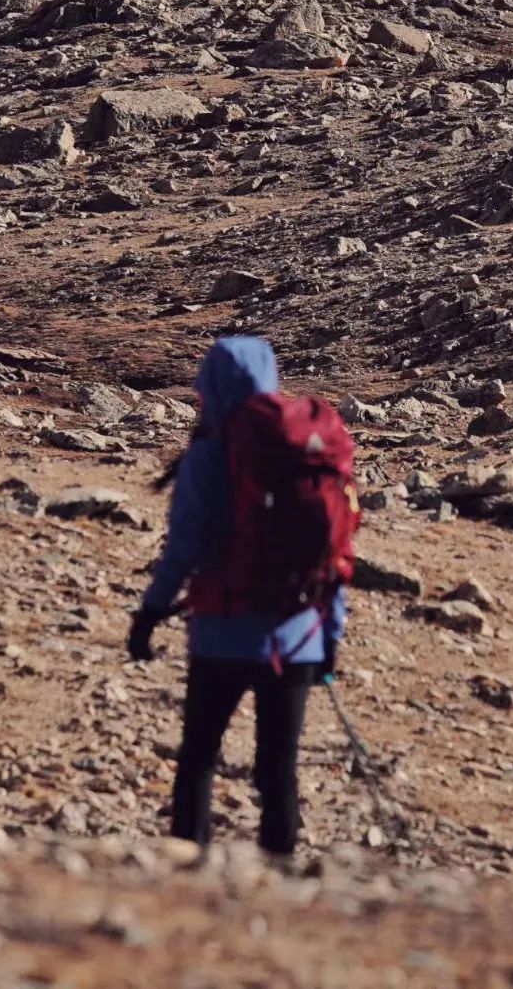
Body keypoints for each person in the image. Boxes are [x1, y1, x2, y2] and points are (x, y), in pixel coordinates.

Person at [128, 336, 348, 856]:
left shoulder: (210, 453)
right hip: (299, 639)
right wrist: (329, 640)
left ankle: (190, 869)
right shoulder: (310, 452)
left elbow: (184, 549)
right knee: (279, 768)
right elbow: (336, 551)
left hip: (223, 632)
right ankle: (281, 879)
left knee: (200, 756)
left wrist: (149, 613)